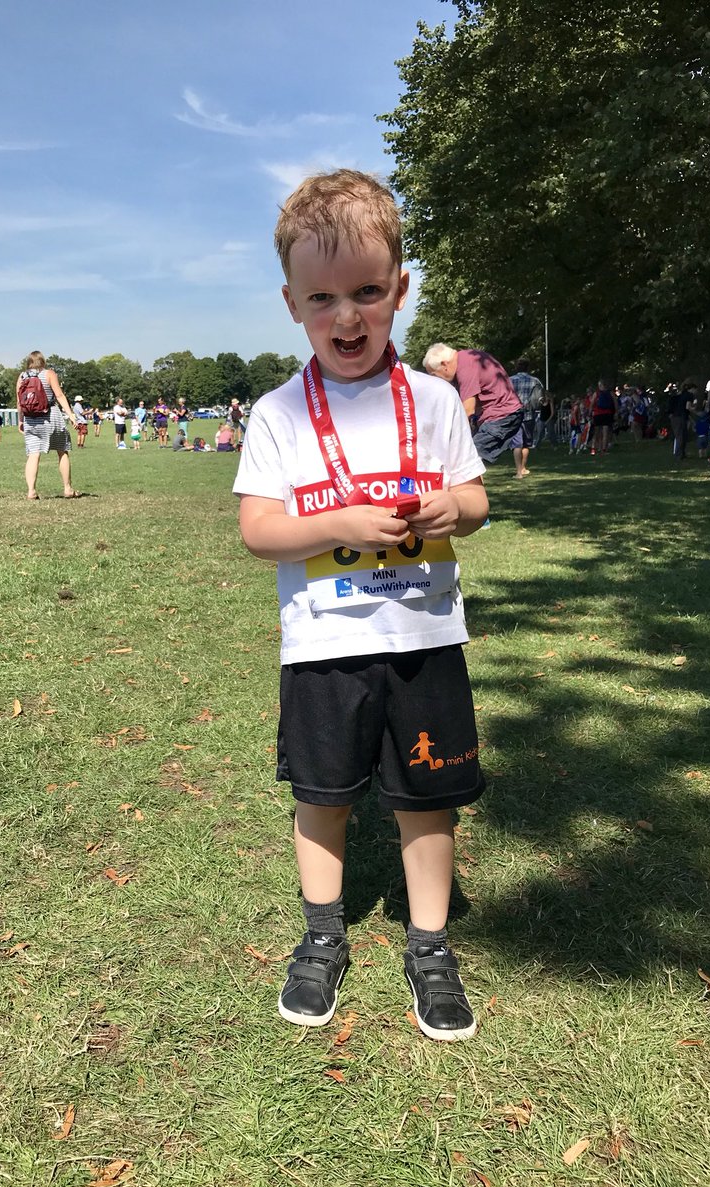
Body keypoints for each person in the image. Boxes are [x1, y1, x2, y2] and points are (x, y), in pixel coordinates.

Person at [235, 169, 488, 1042]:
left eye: (368, 293)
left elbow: (475, 498)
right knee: (324, 794)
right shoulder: (278, 415)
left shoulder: (435, 399)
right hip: (323, 646)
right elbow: (258, 529)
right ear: (292, 303)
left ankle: (429, 945)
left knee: (427, 797)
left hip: (424, 636)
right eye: (323, 299)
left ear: (400, 290)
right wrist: (333, 520)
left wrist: (458, 507)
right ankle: (320, 937)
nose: (347, 317)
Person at [423, 343, 523, 468]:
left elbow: (467, 410)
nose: (435, 380)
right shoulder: (468, 357)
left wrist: (447, 438)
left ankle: (464, 488)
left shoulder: (465, 368)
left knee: (470, 460)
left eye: (434, 374)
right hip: (503, 414)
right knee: (469, 459)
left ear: (444, 365)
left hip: (502, 416)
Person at [16, 350, 79, 499]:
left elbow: (19, 401)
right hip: (51, 417)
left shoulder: (22, 376)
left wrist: (20, 420)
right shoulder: (49, 373)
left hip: (31, 420)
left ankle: (31, 491)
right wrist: (71, 415)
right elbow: (59, 395)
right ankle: (67, 489)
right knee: (62, 450)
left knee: (33, 454)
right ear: (43, 361)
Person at [668, 380, 695, 460]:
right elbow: (688, 407)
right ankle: (679, 454)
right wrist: (695, 410)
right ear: (692, 389)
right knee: (681, 435)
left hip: (675, 416)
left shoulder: (680, 395)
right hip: (681, 416)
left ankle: (681, 453)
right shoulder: (689, 395)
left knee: (680, 435)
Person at [590, 380, 616, 455]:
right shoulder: (610, 393)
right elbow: (615, 402)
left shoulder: (596, 393)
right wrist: (616, 412)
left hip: (597, 414)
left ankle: (593, 449)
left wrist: (590, 412)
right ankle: (604, 450)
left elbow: (592, 404)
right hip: (607, 413)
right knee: (605, 432)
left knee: (596, 432)